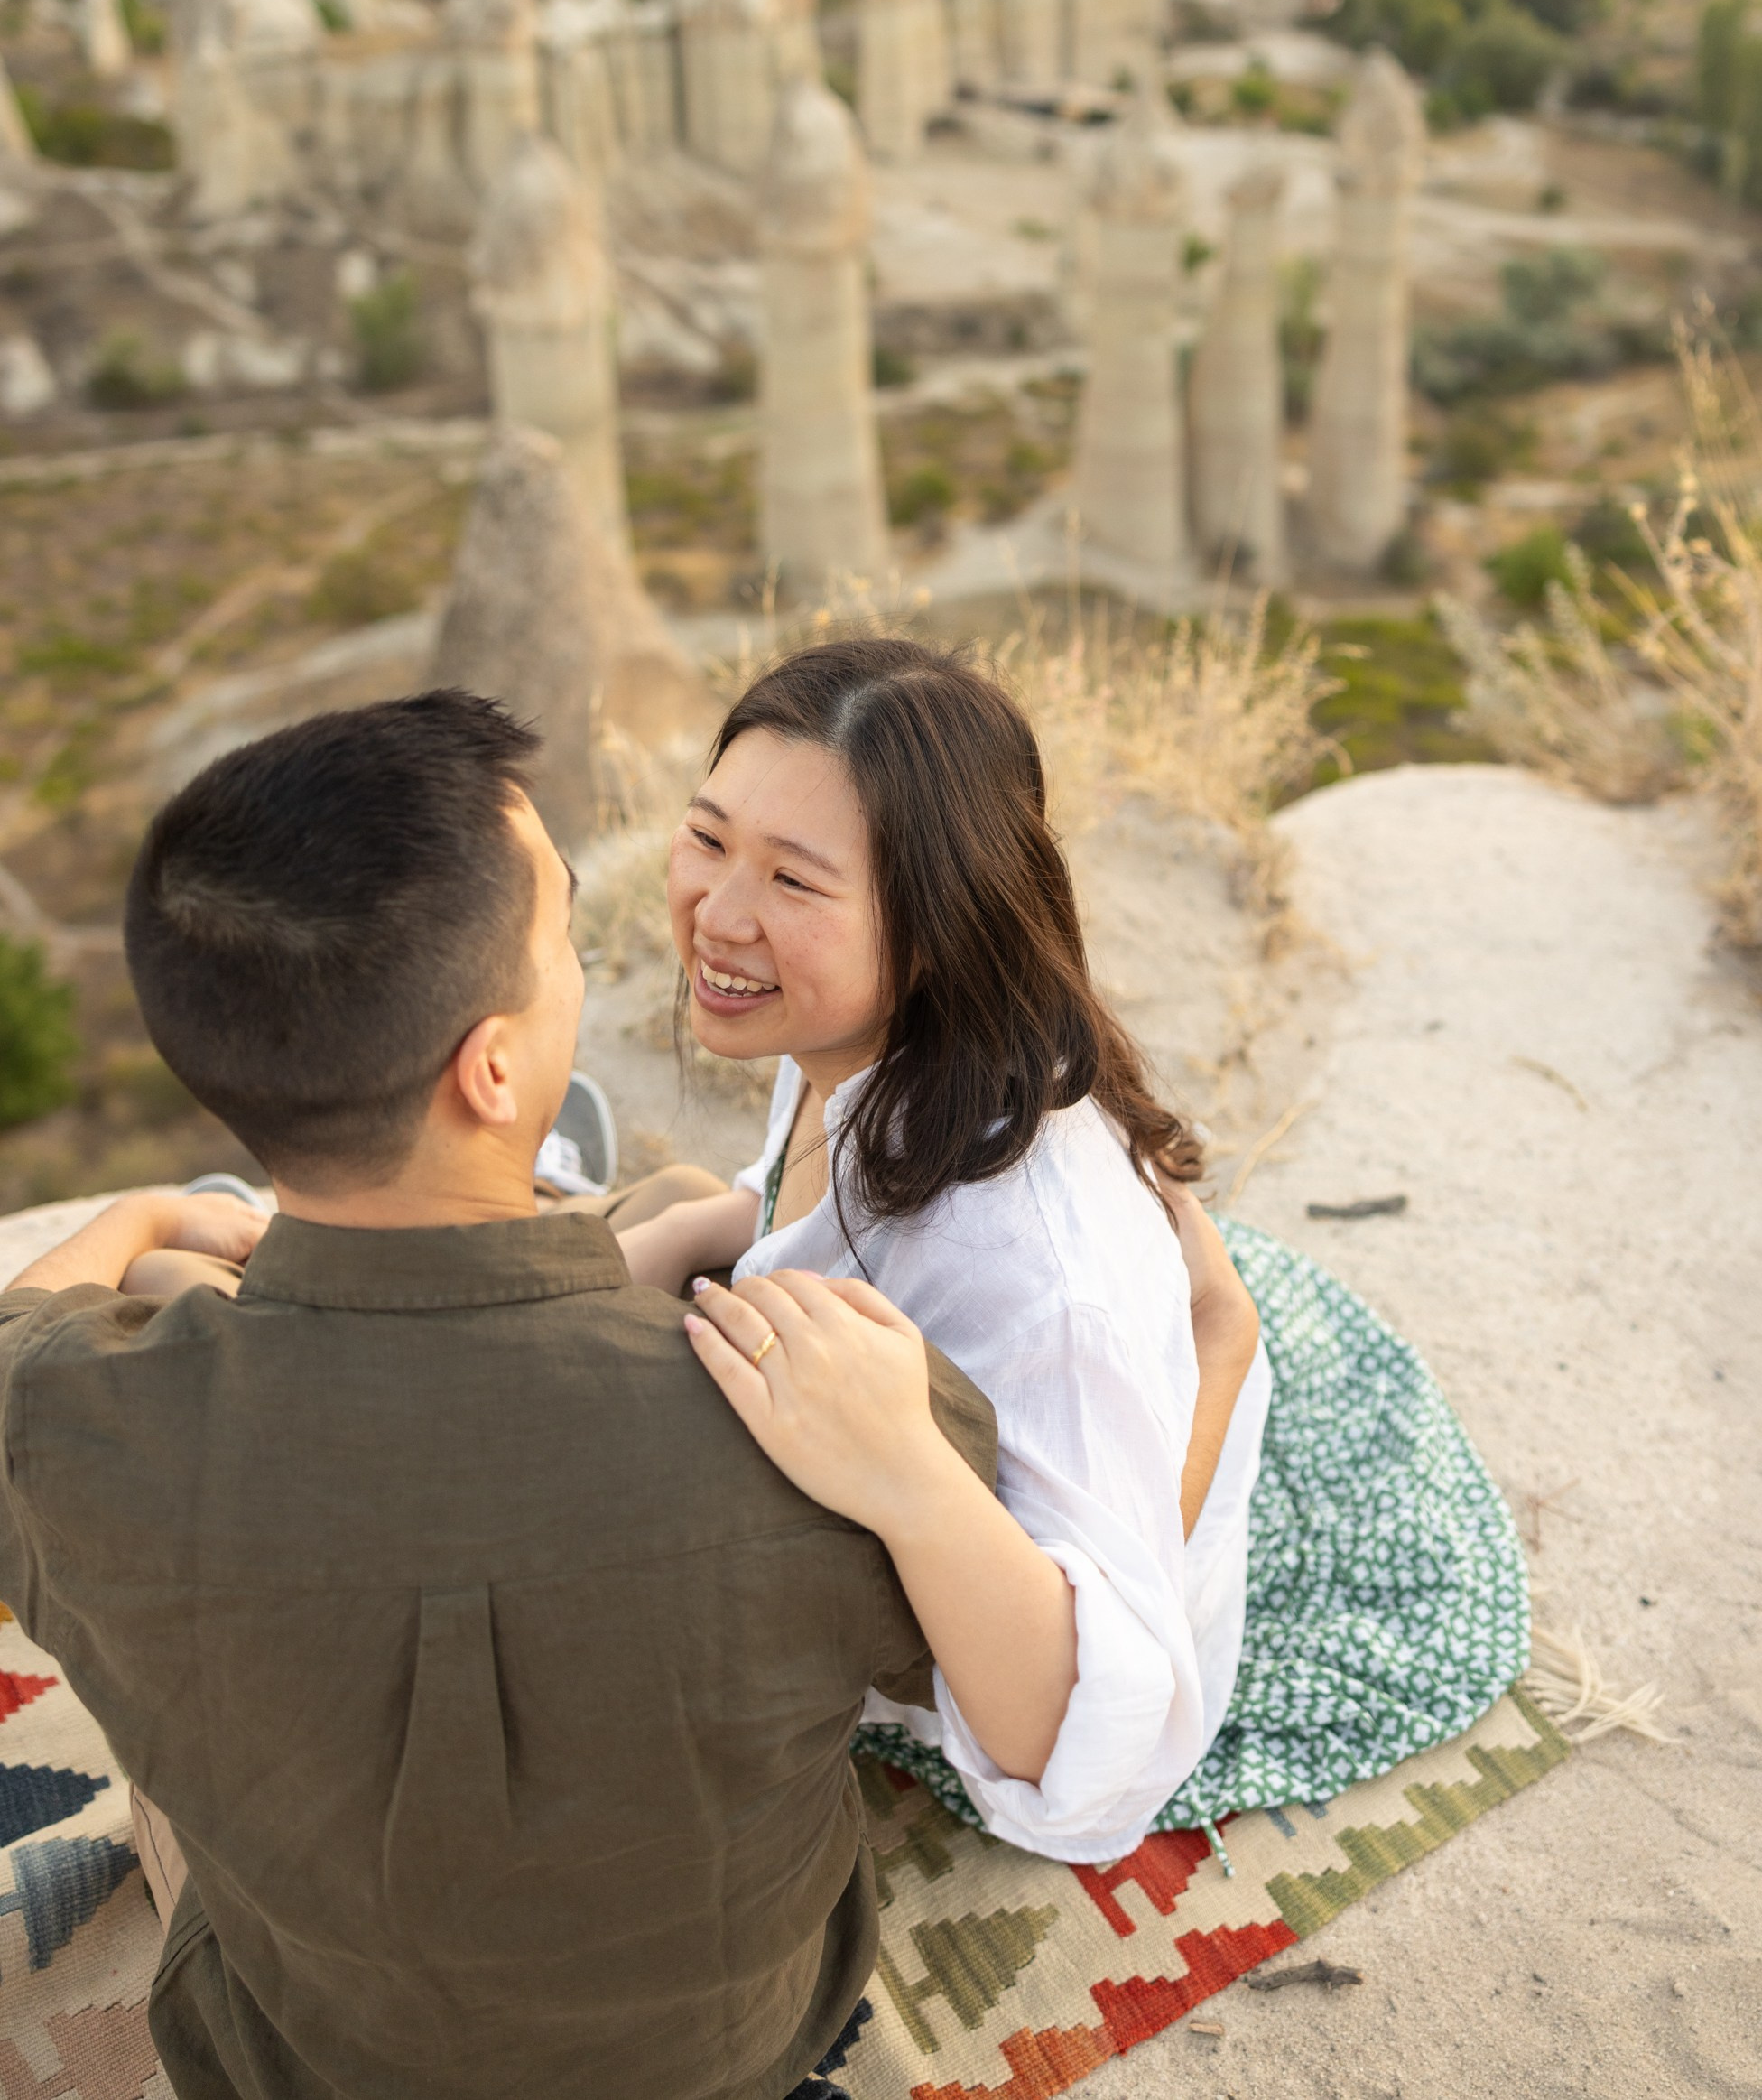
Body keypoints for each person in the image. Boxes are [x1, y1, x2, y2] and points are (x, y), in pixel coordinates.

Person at [0, 690, 1008, 2100]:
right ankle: (546, 1202)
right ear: (491, 1066)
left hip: (303, 2061)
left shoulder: (59, 1429)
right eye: (557, 938)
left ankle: (338, 1211)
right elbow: (981, 1648)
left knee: (158, 1599)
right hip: (735, 2040)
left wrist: (148, 1214)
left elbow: (20, 1327)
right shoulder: (817, 1402)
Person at [620, 636, 1530, 1863]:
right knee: (652, 1228)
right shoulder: (875, 1041)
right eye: (709, 838)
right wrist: (697, 1223)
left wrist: (904, 1473)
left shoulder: (1025, 1265)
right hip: (1009, 1416)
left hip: (1036, 1590)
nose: (718, 913)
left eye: (794, 881)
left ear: (938, 927)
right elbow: (800, 1192)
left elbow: (1099, 1780)